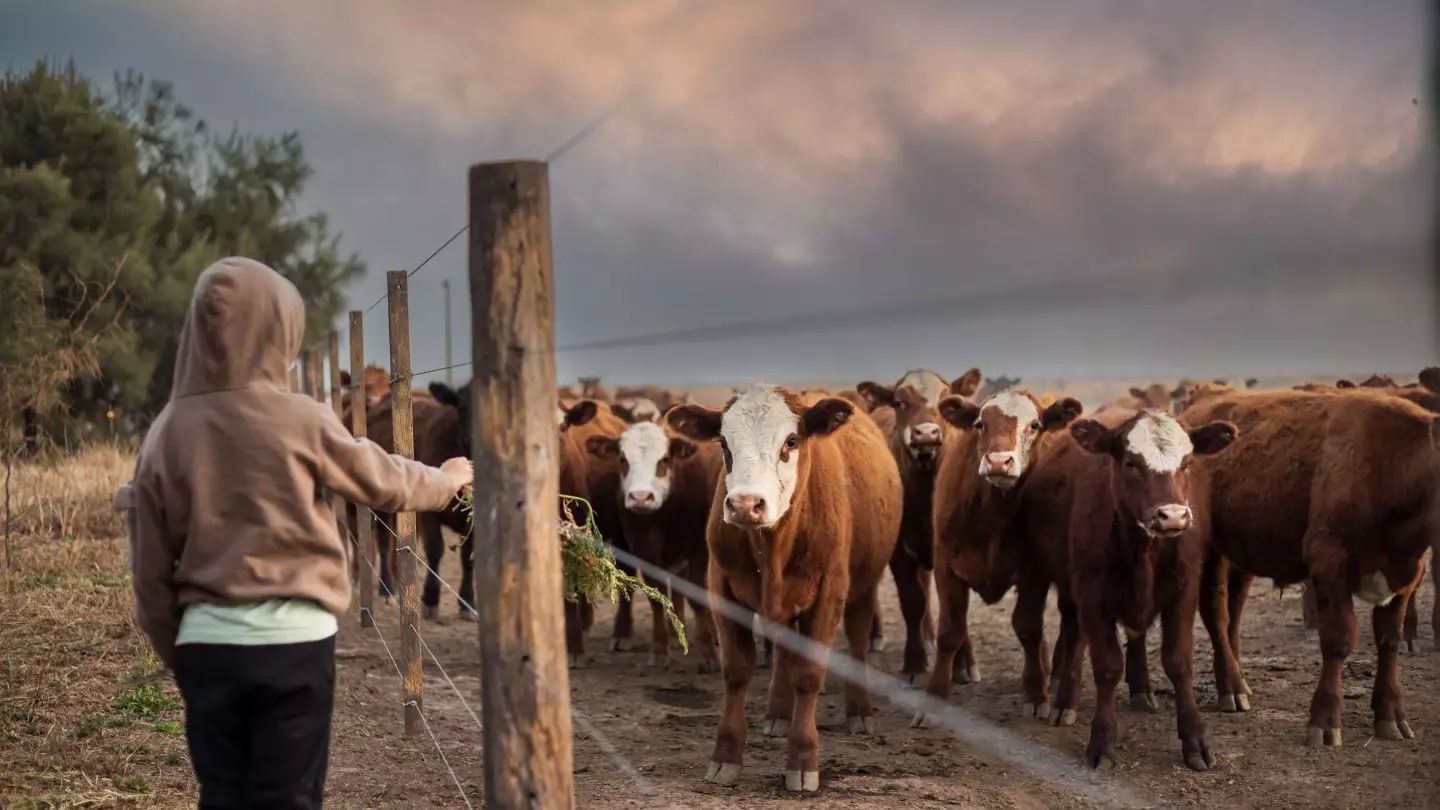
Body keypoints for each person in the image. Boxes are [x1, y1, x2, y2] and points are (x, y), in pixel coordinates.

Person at [120, 257, 473, 809]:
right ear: (280, 331)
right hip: (293, 646)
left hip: (206, 648)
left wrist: (180, 649)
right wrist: (446, 479)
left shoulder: (168, 429)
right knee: (287, 797)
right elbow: (383, 480)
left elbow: (147, 567)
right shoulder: (301, 418)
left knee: (222, 795)